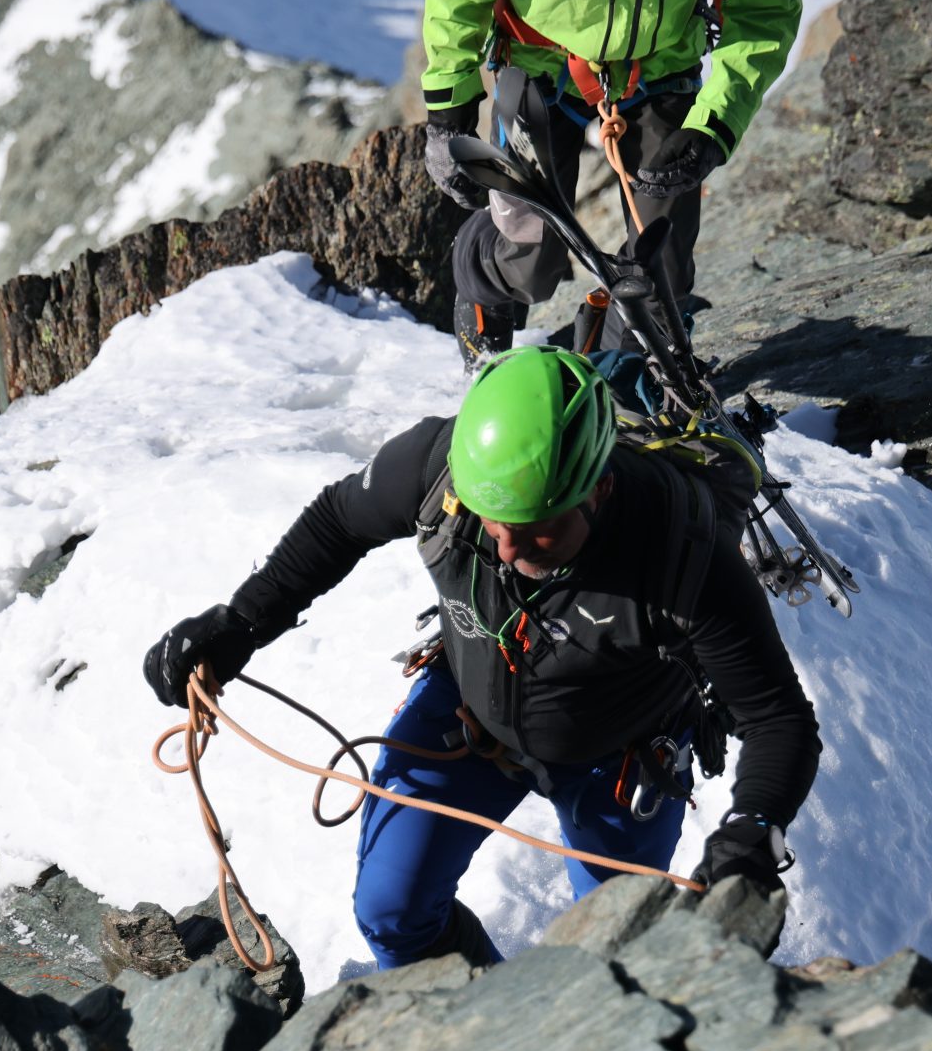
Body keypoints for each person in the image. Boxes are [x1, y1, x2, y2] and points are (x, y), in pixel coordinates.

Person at [143, 346, 819, 968]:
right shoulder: (440, 467)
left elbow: (776, 719)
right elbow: (338, 522)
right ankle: (474, 1040)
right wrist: (239, 624)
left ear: (599, 489)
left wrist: (751, 832)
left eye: (535, 532)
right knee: (392, 913)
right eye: (492, 523)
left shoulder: (682, 551)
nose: (503, 549)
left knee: (624, 955)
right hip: (468, 715)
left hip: (622, 755)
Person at [420, 0, 802, 365]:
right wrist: (449, 114)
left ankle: (623, 376)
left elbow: (765, 14)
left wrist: (712, 127)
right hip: (541, 64)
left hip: (658, 68)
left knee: (664, 267)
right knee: (532, 258)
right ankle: (480, 282)